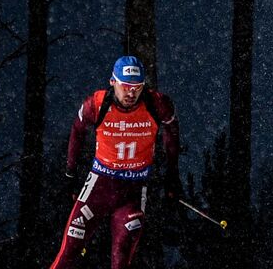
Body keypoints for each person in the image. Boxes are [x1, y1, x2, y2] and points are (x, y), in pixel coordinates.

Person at [47, 55, 182, 269]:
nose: (131, 93)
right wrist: (70, 173)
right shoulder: (97, 103)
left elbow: (172, 132)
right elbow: (77, 131)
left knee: (121, 258)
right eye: (126, 86)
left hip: (133, 192)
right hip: (99, 187)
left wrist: (172, 175)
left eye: (137, 87)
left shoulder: (157, 103)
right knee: (69, 252)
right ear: (113, 82)